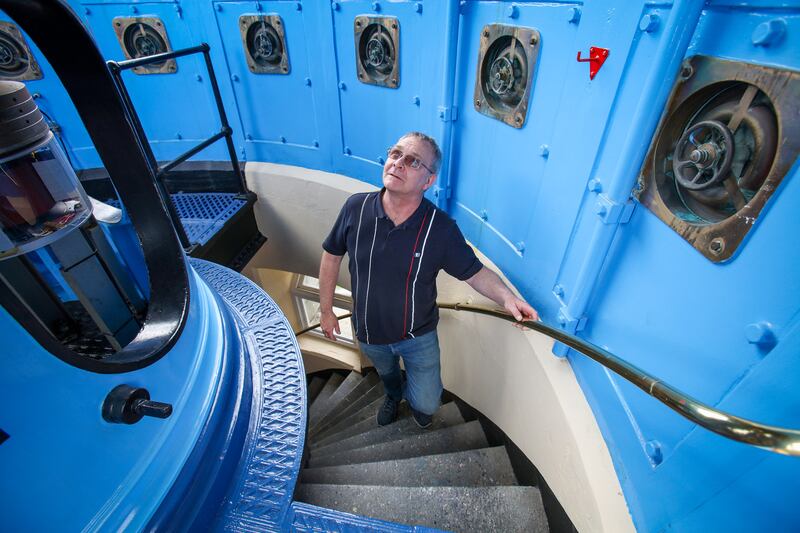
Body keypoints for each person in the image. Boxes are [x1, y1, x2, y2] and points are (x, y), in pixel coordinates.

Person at [319, 132, 538, 429]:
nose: (397, 163)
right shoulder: (355, 208)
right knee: (387, 376)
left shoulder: (441, 229)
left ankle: (418, 406)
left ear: (428, 181)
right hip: (368, 332)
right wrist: (326, 310)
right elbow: (331, 255)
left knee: (427, 402)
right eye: (395, 154)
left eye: (412, 161)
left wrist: (507, 297)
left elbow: (474, 272)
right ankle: (393, 396)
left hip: (417, 338)